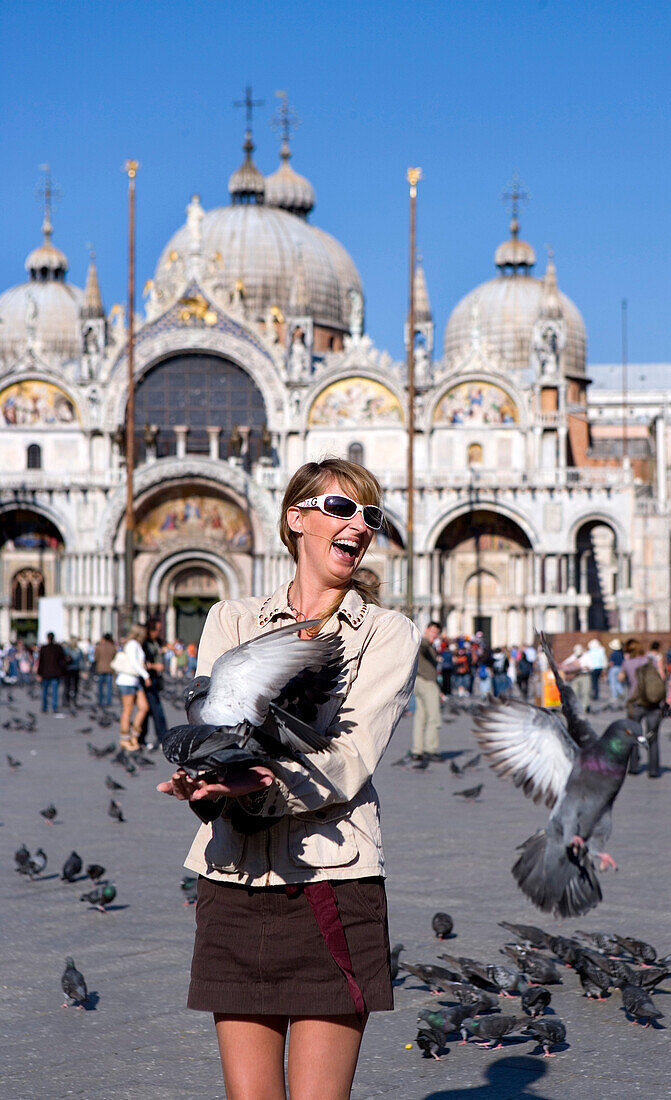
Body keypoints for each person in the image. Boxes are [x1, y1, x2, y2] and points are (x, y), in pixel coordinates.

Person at [157, 458, 420, 1100]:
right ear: (296, 519)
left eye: (371, 516)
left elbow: (352, 758)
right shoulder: (232, 620)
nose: (358, 524)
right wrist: (206, 781)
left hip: (330, 881)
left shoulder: (387, 632)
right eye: (340, 508)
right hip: (233, 878)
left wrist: (262, 783)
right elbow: (219, 739)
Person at [619, 638, 663, 778]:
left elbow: (620, 678)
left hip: (636, 702)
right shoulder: (651, 661)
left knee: (633, 736)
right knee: (653, 738)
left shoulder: (627, 663)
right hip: (653, 702)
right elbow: (662, 677)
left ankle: (633, 767)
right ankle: (654, 769)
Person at [115, 625, 151, 751]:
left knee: (144, 707)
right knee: (127, 710)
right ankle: (124, 738)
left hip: (134, 681)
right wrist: (146, 676)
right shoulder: (132, 644)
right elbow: (133, 662)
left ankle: (134, 735)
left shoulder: (134, 644)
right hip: (127, 680)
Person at [412, 621, 443, 762]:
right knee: (433, 717)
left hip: (419, 682)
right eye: (432, 631)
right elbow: (422, 646)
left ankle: (417, 750)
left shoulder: (431, 646)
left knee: (420, 717)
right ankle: (430, 749)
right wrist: (426, 640)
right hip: (426, 683)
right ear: (426, 630)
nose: (434, 634)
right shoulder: (423, 643)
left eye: (436, 633)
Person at [139, 617, 168, 750]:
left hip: (156, 679)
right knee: (155, 709)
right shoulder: (144, 644)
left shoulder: (156, 641)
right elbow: (143, 663)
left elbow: (165, 646)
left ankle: (141, 738)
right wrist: (155, 666)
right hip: (148, 680)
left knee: (150, 709)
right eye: (157, 630)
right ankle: (162, 737)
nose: (159, 632)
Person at [37, 632, 67, 716]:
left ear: (47, 638)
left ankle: (44, 707)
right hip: (55, 672)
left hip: (45, 672)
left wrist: (39, 673)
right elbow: (63, 661)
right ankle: (54, 707)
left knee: (45, 691)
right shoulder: (58, 648)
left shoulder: (44, 648)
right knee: (54, 691)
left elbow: (41, 662)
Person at [561, 644, 591, 713]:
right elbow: (565, 662)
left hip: (584, 675)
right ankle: (575, 707)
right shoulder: (574, 656)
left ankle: (584, 707)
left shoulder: (586, 656)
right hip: (576, 675)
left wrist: (583, 667)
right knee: (574, 691)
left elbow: (590, 666)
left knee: (585, 692)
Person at [94, 633, 116, 707]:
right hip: (110, 668)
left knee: (100, 687)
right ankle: (108, 701)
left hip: (100, 668)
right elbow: (114, 657)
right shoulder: (112, 647)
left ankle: (100, 701)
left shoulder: (99, 646)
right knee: (109, 687)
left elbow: (95, 657)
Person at [62, 636, 84, 708]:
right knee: (75, 686)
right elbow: (81, 661)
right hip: (75, 669)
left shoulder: (67, 649)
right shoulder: (78, 650)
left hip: (68, 669)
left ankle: (66, 700)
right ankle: (74, 700)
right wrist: (83, 670)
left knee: (67, 685)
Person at [607, 639, 625, 705]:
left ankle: (614, 696)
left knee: (613, 682)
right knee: (618, 682)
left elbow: (611, 663)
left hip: (614, 668)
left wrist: (608, 668)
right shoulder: (621, 653)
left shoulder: (613, 654)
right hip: (620, 668)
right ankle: (621, 692)